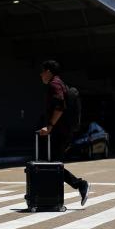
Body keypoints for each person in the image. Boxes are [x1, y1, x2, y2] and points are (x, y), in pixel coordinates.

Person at [38, 60, 90, 206]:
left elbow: (60, 106)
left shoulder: (54, 84)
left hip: (60, 132)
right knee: (52, 164)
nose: (41, 74)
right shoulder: (59, 83)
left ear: (48, 71)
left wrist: (50, 126)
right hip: (63, 131)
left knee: (53, 165)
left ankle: (80, 185)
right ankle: (50, 196)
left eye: (42, 71)